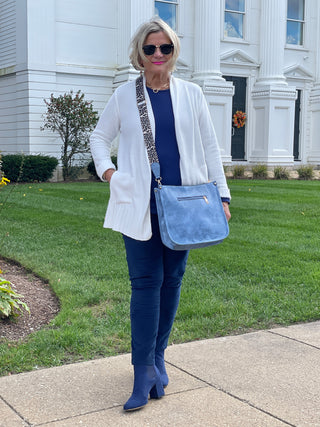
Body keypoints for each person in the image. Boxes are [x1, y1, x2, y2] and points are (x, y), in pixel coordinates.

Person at [90, 17, 231, 412]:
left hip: (184, 204)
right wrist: (109, 172)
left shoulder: (192, 94)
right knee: (145, 284)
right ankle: (141, 372)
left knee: (172, 281)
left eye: (164, 48)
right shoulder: (124, 95)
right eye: (149, 48)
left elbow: (210, 147)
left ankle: (158, 358)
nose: (157, 55)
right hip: (139, 203)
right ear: (139, 53)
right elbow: (99, 137)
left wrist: (223, 196)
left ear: (173, 52)